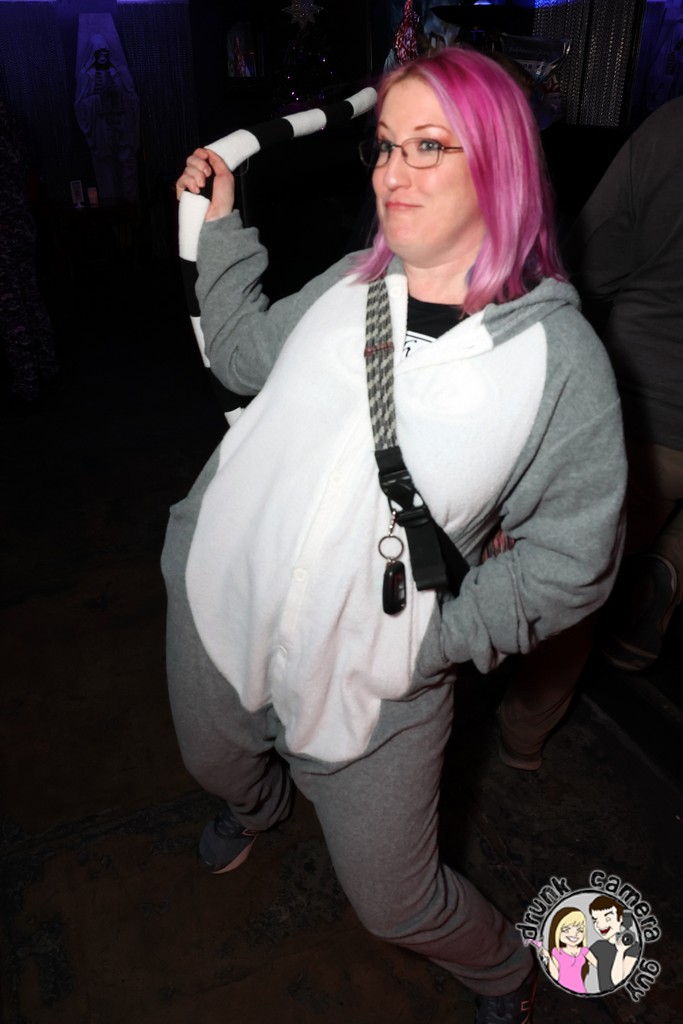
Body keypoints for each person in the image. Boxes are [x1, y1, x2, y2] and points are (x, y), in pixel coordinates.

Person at [165, 47, 625, 1023]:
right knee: (214, 761)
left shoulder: (558, 363)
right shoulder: (349, 283)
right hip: (219, 602)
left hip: (375, 677)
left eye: (427, 146)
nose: (390, 172)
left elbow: (571, 560)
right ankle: (253, 806)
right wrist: (223, 226)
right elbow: (241, 358)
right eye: (383, 146)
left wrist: (433, 640)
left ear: (497, 164)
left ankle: (501, 969)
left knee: (394, 901)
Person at [565, 96, 683, 672]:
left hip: (647, 409)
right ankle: (669, 566)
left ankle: (523, 722)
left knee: (578, 588)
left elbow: (588, 267)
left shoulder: (672, 126)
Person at [540, 907, 597, 994]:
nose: (574, 934)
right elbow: (555, 976)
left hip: (580, 991)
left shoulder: (584, 951)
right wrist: (547, 957)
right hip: (561, 992)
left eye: (580, 930)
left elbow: (600, 966)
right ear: (557, 931)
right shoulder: (557, 952)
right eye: (566, 930)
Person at [588, 895, 641, 991]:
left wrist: (620, 951)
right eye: (595, 920)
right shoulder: (598, 946)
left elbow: (617, 982)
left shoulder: (633, 947)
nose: (600, 925)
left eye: (607, 919)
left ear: (620, 919)